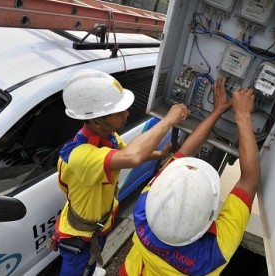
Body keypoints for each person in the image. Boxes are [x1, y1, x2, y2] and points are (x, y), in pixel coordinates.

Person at [50, 69, 188, 276]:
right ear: (96, 120)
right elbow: (132, 157)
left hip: (100, 225)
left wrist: (160, 153)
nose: (127, 114)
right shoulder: (79, 154)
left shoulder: (108, 136)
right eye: (119, 112)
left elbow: (127, 152)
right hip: (79, 235)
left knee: (89, 266)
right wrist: (168, 120)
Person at [119, 77, 261, 275]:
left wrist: (222, 111)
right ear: (209, 217)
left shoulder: (143, 210)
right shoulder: (211, 254)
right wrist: (242, 115)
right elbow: (250, 180)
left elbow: (184, 153)